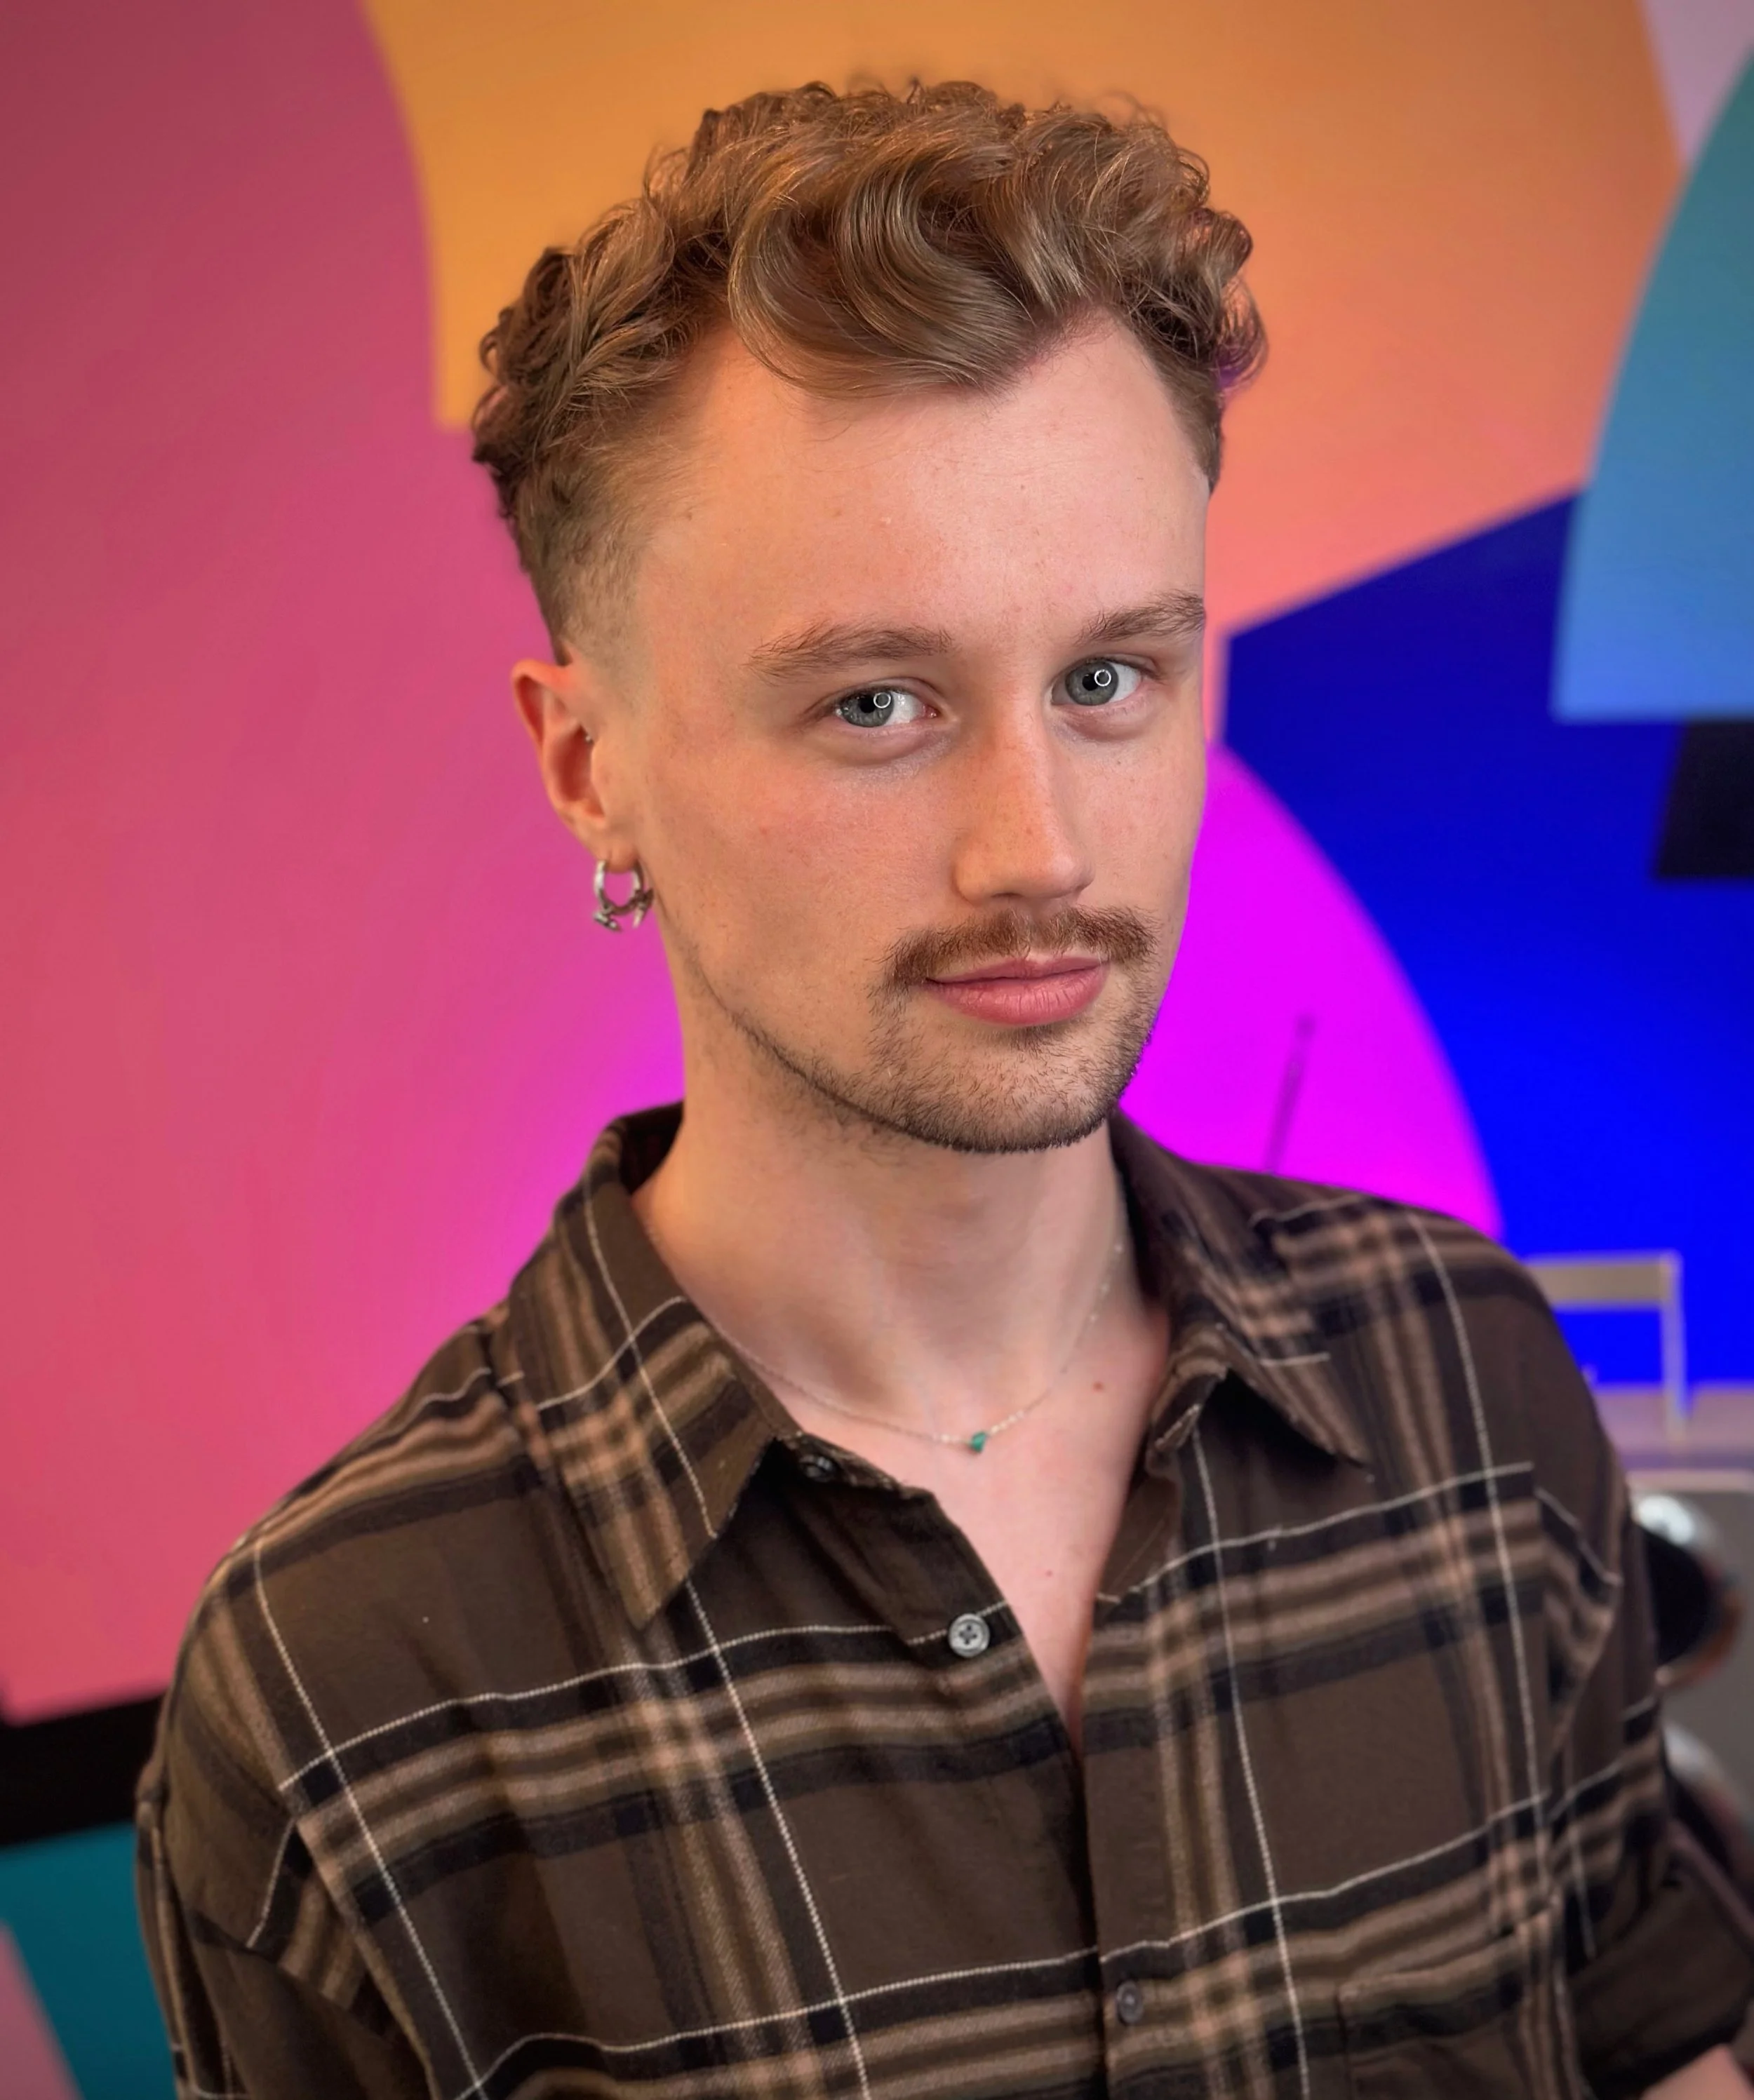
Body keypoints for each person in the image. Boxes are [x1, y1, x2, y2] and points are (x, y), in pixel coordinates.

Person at [136, 80, 1754, 2099]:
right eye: (877, 703)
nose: (1038, 851)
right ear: (588, 767)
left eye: (1106, 679)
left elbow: (1652, 2049)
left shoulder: (1467, 1378)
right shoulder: (344, 1681)